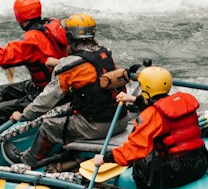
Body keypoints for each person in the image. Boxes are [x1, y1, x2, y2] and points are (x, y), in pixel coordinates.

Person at [15, 12, 129, 167]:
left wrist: (24, 115)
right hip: (121, 118)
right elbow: (88, 63)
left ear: (68, 37)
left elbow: (45, 101)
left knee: (49, 125)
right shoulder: (105, 52)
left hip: (98, 126)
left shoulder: (69, 67)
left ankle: (27, 162)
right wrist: (60, 62)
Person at [93, 66, 208, 189]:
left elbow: (135, 149)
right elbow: (159, 105)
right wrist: (134, 100)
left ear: (146, 88)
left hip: (175, 172)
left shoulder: (151, 115)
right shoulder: (182, 103)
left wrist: (105, 158)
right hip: (199, 163)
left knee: (140, 162)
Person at [0, 0, 68, 133]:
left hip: (48, 92)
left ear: (19, 17)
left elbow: (2, 58)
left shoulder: (31, 40)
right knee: (0, 92)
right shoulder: (53, 25)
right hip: (52, 84)